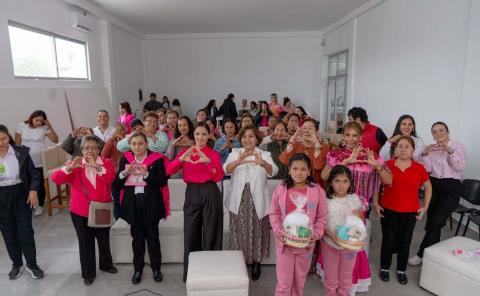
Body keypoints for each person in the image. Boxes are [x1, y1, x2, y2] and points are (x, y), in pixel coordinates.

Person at [320, 121, 383, 293]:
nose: (351, 139)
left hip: (358, 205)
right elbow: (326, 176)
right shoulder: (335, 154)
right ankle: (334, 285)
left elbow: (377, 180)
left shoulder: (370, 155)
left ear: (361, 137)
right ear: (343, 136)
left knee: (354, 244)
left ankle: (351, 286)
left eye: (355, 135)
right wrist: (346, 161)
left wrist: (376, 202)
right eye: (347, 135)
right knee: (335, 242)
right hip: (334, 203)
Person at [51, 136, 117, 285]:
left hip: (101, 209)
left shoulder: (106, 163)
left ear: (99, 150)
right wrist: (68, 168)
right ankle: (88, 273)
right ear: (82, 149)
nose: (91, 151)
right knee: (85, 243)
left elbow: (110, 178)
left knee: (103, 239)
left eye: (94, 148)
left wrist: (97, 167)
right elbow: (56, 179)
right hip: (80, 212)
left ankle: (106, 264)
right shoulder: (76, 164)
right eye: (87, 148)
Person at [369, 136, 432, 285]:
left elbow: (428, 187)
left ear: (413, 150)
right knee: (388, 239)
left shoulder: (419, 168)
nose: (403, 149)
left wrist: (425, 206)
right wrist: (376, 203)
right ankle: (385, 267)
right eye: (400, 146)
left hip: (410, 211)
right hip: (388, 209)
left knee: (405, 241)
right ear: (395, 149)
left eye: (407, 147)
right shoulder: (387, 165)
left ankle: (401, 270)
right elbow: (376, 185)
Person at [167, 122, 224, 282]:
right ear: (193, 135)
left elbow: (218, 176)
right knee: (191, 234)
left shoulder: (213, 153)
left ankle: (211, 275)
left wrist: (207, 162)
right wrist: (181, 160)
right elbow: (169, 170)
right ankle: (192, 275)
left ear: (209, 136)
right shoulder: (186, 151)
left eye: (204, 134)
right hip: (191, 192)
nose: (200, 137)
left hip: (210, 192)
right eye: (197, 134)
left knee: (211, 234)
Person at [223, 125, 278, 280]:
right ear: (240, 139)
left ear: (257, 139)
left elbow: (273, 171)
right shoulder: (235, 153)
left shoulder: (265, 154)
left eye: (251, 136)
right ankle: (239, 261)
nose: (247, 139)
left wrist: (263, 163)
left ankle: (255, 262)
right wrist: (237, 162)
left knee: (257, 229)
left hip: (257, 198)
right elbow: (225, 170)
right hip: (238, 198)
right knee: (239, 229)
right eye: (244, 136)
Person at [409, 122, 466, 267]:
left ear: (448, 131)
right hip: (434, 185)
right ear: (432, 134)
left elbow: (460, 166)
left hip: (451, 187)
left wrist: (450, 151)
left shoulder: (457, 146)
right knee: (432, 223)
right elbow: (427, 169)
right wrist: (425, 154)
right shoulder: (432, 148)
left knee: (436, 222)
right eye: (434, 132)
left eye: (441, 130)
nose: (438, 133)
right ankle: (431, 255)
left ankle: (422, 254)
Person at [269, 153, 328, 296]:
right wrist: (278, 231)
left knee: (299, 283)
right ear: (289, 170)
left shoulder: (317, 191)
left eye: (303, 169)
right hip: (285, 245)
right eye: (295, 169)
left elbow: (322, 216)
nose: (299, 173)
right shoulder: (281, 189)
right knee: (283, 284)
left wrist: (317, 233)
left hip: (306, 245)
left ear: (309, 171)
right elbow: (274, 213)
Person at [114, 132, 169, 284]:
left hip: (151, 203)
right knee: (137, 240)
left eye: (140, 143)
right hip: (133, 204)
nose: (137, 147)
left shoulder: (156, 159)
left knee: (153, 238)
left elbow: (162, 182)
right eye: (134, 144)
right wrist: (125, 173)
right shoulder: (126, 158)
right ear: (130, 145)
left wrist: (146, 174)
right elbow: (117, 185)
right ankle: (138, 269)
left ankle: (156, 268)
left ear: (146, 144)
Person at [0, 124, 44, 280]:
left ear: (8, 137)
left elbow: (34, 174)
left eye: (3, 139)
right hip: (1, 196)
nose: (1, 143)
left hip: (20, 194)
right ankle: (16, 264)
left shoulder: (20, 152)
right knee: (8, 233)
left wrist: (33, 190)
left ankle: (32, 264)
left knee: (25, 232)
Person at [321, 165, 364, 296]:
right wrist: (333, 236)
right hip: (330, 243)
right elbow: (321, 223)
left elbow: (360, 223)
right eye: (337, 181)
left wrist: (359, 216)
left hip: (350, 245)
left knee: (346, 275)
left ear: (350, 182)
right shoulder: (325, 200)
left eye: (345, 181)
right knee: (331, 276)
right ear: (331, 182)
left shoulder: (354, 199)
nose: (341, 185)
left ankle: (344, 293)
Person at [15, 110, 59, 217]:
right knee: (26, 183)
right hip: (25, 160)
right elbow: (17, 143)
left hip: (40, 160)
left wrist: (50, 126)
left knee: (38, 184)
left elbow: (55, 140)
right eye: (37, 120)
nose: (38, 123)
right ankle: (30, 205)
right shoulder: (22, 126)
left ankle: (39, 206)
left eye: (41, 121)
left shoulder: (44, 128)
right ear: (32, 117)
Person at [279, 118, 330, 185]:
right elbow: (284, 160)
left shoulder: (325, 146)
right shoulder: (296, 145)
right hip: (297, 184)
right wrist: (291, 142)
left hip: (317, 185)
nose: (306, 131)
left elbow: (317, 166)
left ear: (317, 131)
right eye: (304, 128)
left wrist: (316, 143)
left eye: (310, 128)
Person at [101, 123, 127, 219]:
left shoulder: (129, 141)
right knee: (116, 200)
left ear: (126, 131)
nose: (119, 132)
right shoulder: (111, 142)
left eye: (122, 130)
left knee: (126, 200)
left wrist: (123, 141)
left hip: (127, 174)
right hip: (115, 175)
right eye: (117, 130)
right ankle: (118, 220)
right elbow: (103, 155)